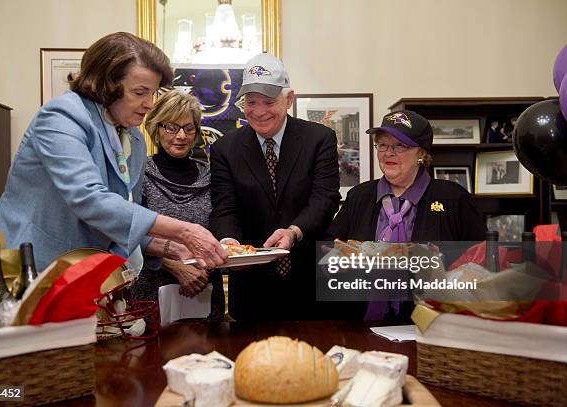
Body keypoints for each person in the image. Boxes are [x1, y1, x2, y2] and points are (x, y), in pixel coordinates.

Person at [0, 32, 227, 272]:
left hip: (80, 273)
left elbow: (118, 219)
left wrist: (172, 248)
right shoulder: (62, 116)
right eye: (139, 92)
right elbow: (89, 199)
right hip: (28, 267)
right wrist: (185, 231)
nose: (150, 104)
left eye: (152, 93)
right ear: (106, 85)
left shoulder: (133, 137)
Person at [210, 53, 341, 320]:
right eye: (251, 102)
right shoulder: (225, 148)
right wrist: (229, 244)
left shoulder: (319, 139)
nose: (258, 112)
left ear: (289, 99)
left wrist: (294, 231)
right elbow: (225, 207)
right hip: (251, 286)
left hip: (310, 280)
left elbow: (325, 199)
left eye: (268, 102)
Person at [327, 110, 486, 321]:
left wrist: (436, 264)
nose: (388, 153)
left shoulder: (453, 198)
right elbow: (330, 248)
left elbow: (479, 261)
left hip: (433, 322)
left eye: (399, 146)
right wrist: (342, 261)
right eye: (382, 145)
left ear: (422, 153)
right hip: (363, 323)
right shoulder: (360, 196)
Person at [130, 89, 224, 321]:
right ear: (156, 129)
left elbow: (220, 230)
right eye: (171, 127)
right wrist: (175, 266)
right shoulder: (139, 174)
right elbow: (128, 232)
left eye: (188, 127)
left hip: (204, 289)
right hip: (151, 294)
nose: (181, 135)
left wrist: (205, 268)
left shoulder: (212, 177)